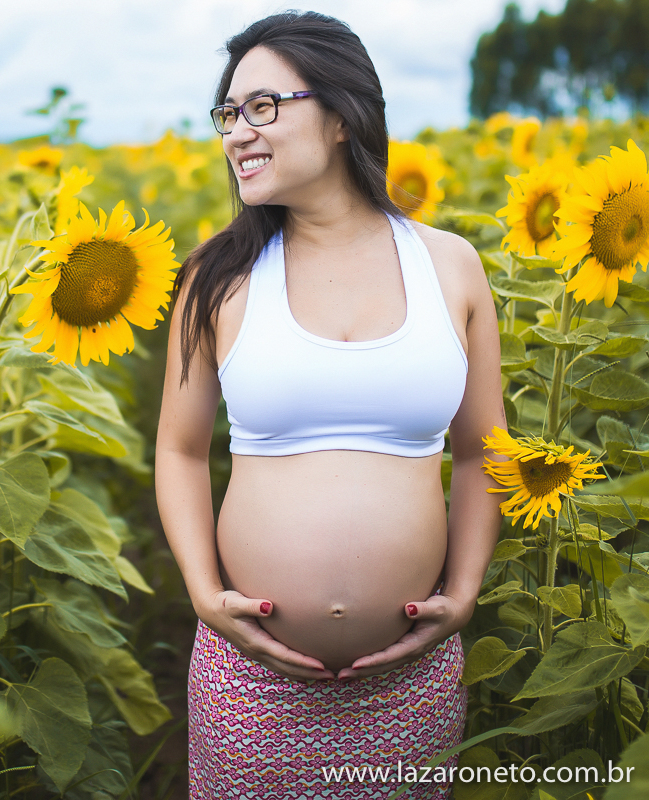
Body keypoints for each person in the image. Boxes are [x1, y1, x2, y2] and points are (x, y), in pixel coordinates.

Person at [154, 11, 506, 799]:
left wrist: (466, 591)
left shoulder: (449, 266)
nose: (237, 132)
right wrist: (205, 595)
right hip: (251, 685)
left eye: (263, 107)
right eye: (228, 113)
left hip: (408, 687)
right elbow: (178, 450)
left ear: (344, 116)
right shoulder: (217, 275)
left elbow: (484, 448)